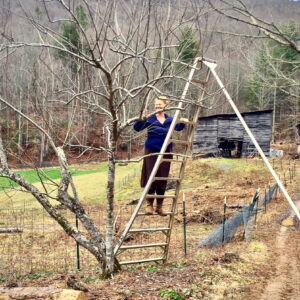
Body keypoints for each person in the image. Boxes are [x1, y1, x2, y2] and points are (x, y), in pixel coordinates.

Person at [133, 96, 189, 216]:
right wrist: (141, 119)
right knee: (151, 176)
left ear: (165, 106)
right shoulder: (150, 118)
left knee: (163, 177)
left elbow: (178, 127)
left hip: (166, 152)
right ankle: (149, 205)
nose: (158, 106)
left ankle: (159, 206)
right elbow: (137, 128)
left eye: (160, 104)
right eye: (156, 104)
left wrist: (183, 121)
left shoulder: (170, 119)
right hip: (152, 151)